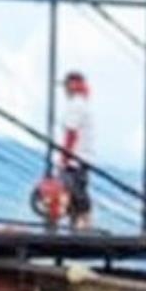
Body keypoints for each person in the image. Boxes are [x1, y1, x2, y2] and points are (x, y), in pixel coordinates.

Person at [58, 72, 94, 229]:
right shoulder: (83, 105)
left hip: (75, 159)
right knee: (77, 193)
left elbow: (71, 133)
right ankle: (80, 223)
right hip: (82, 157)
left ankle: (83, 223)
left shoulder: (75, 105)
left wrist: (64, 157)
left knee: (75, 192)